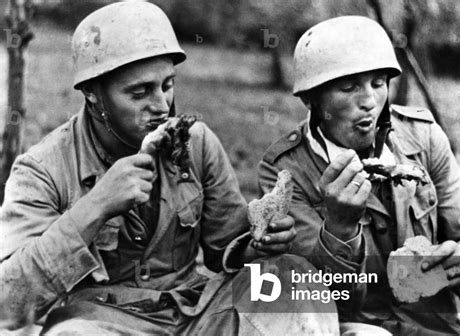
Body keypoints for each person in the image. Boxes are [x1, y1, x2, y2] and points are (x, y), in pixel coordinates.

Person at [0, 3, 339, 335]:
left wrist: (260, 243)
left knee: (294, 278)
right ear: (92, 93)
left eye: (167, 85)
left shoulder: (196, 143)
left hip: (196, 313)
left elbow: (226, 249)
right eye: (140, 92)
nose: (161, 106)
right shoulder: (41, 170)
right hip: (103, 320)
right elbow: (8, 306)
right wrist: (95, 207)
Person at [258, 16, 460, 336]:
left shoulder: (424, 138)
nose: (369, 102)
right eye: (349, 87)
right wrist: (340, 228)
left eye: (378, 83)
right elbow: (319, 300)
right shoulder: (285, 172)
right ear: (311, 99)